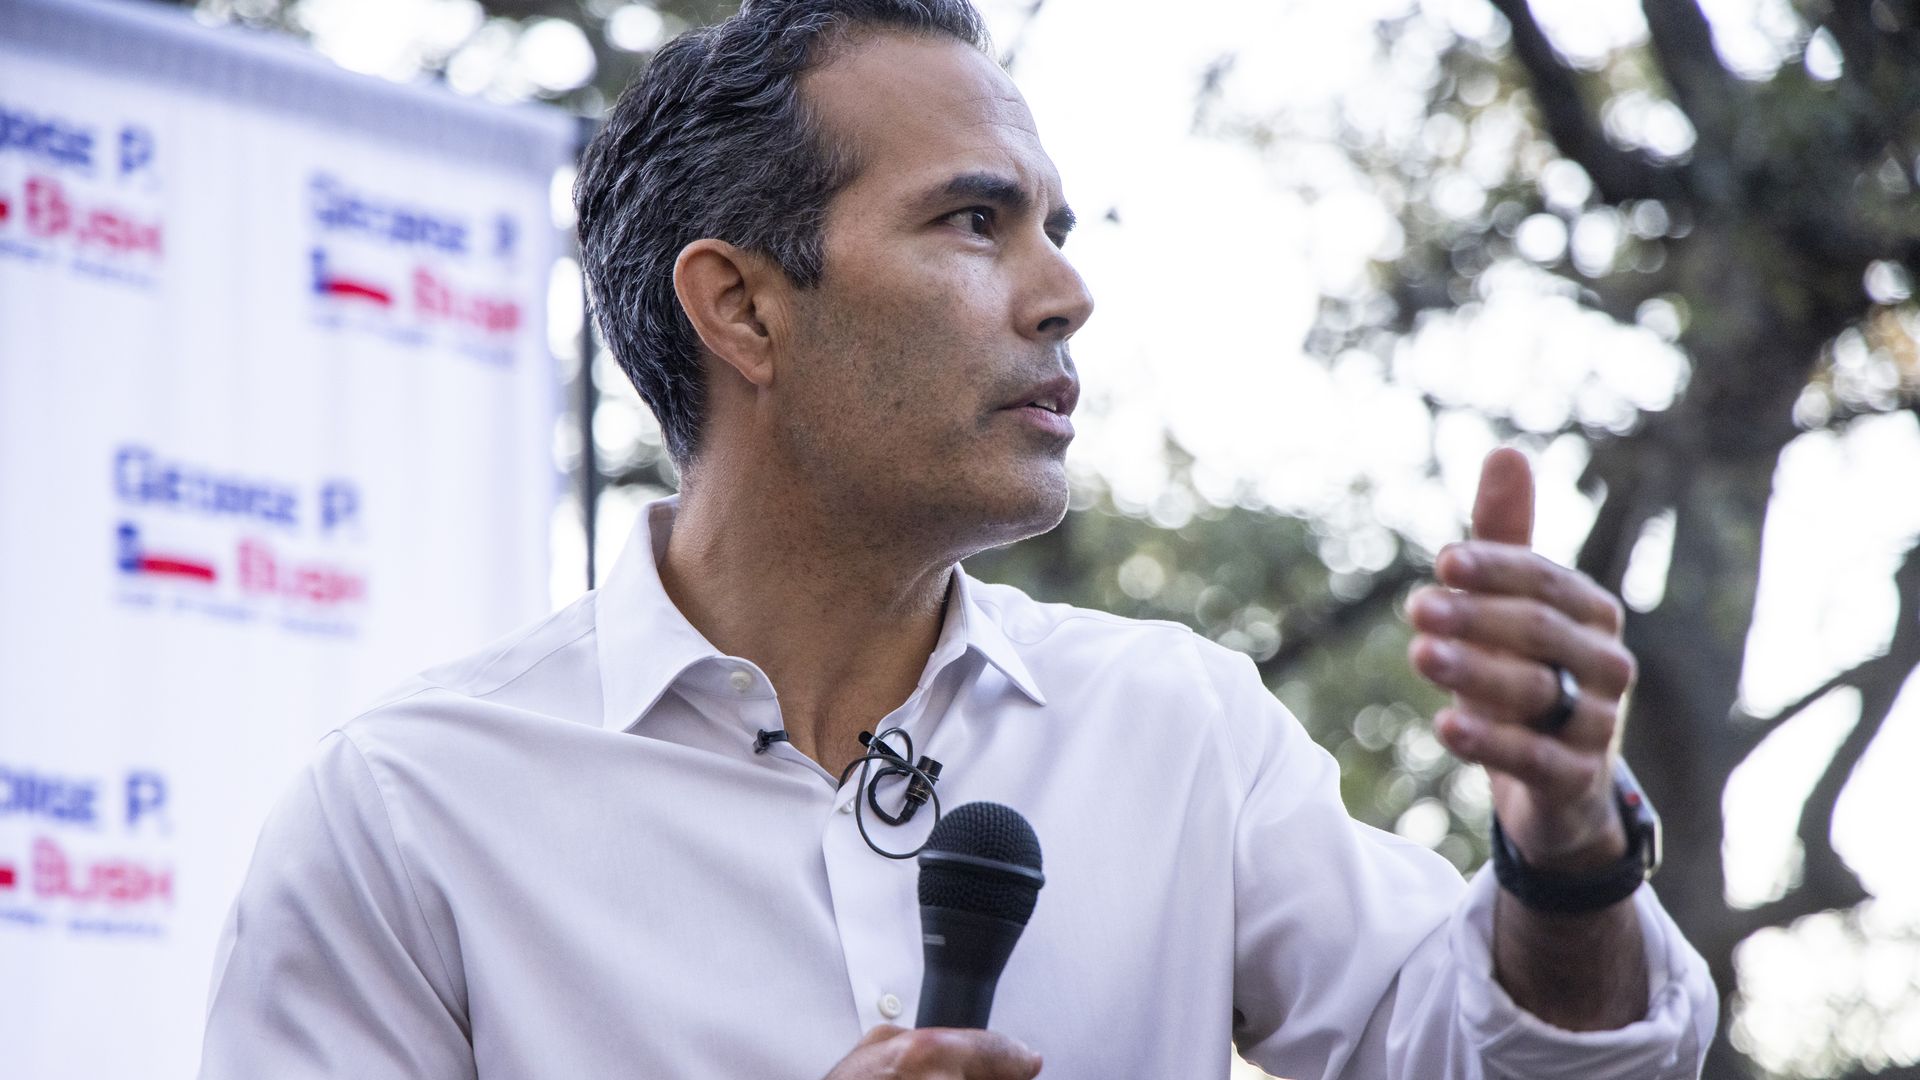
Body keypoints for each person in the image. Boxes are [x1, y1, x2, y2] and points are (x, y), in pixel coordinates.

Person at [198, 1, 1716, 1077]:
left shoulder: (1176, 724)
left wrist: (1566, 839)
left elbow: (1521, 1064)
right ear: (740, 307)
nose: (1064, 294)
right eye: (975, 223)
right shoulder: (403, 814)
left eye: (1057, 226)